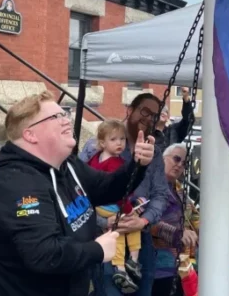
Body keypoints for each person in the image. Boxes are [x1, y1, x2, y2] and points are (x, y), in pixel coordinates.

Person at [0, 92, 156, 296]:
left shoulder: (67, 166)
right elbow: (44, 254)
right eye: (56, 117)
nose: (66, 120)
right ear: (30, 135)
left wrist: (137, 164)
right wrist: (96, 250)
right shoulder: (16, 183)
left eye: (65, 114)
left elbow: (108, 188)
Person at [81, 93, 170, 296]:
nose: (148, 119)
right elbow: (78, 191)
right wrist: (104, 222)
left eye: (154, 116)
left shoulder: (153, 153)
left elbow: (160, 194)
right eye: (144, 111)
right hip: (106, 236)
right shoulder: (96, 148)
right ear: (130, 110)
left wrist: (144, 221)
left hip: (140, 238)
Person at [87, 119, 147, 293]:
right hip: (113, 205)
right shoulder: (116, 163)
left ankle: (120, 268)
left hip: (98, 204)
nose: (119, 143)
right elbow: (120, 192)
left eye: (122, 139)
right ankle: (132, 261)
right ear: (102, 142)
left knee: (116, 232)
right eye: (113, 139)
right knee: (130, 225)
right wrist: (129, 210)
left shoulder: (94, 160)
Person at [150, 144, 199, 296]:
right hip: (158, 266)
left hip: (182, 266)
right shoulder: (150, 185)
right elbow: (147, 221)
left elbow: (194, 215)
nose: (179, 165)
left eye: (184, 163)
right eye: (176, 159)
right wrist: (178, 233)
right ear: (163, 159)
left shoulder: (179, 189)